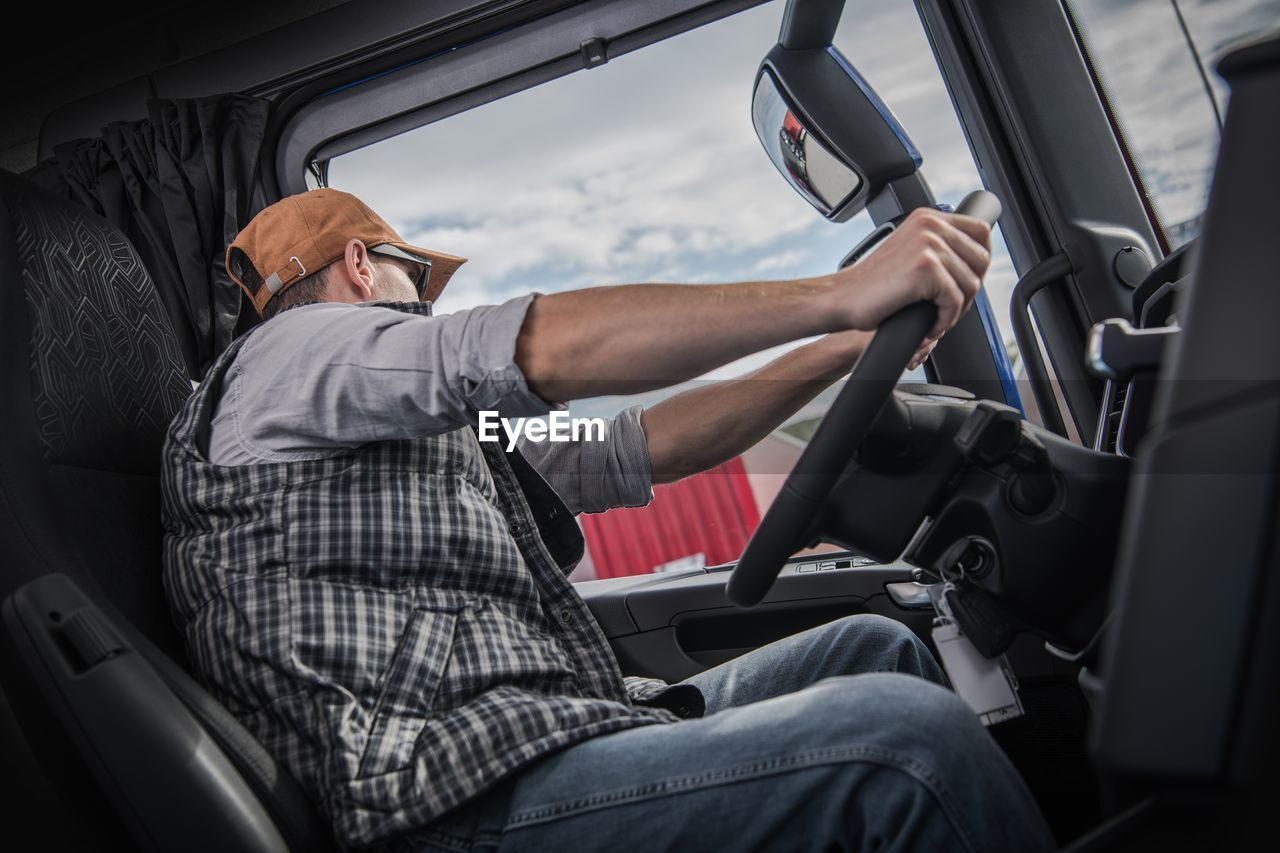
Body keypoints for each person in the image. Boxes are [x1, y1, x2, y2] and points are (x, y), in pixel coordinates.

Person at [161, 189, 1053, 851]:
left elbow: (639, 444)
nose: (423, 298)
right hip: (451, 796)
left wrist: (842, 348)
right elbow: (534, 347)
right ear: (362, 262)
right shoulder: (290, 357)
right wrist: (840, 291)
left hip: (539, 729)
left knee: (874, 645)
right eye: (413, 275)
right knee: (908, 746)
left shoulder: (439, 433)